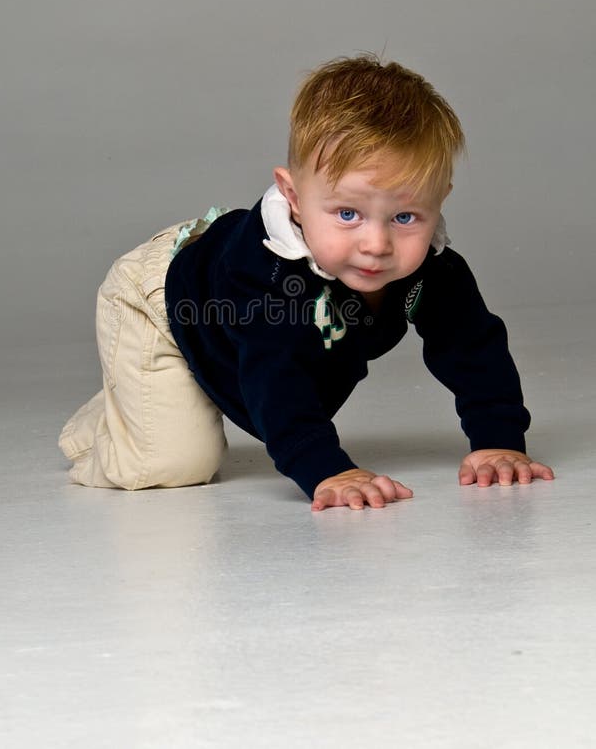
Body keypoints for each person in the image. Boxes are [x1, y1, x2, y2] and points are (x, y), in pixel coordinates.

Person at [58, 54, 554, 510]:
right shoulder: (266, 276)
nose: (376, 244)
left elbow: (473, 349)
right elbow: (277, 379)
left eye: (405, 217)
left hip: (232, 336)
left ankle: (139, 399)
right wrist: (327, 471)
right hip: (162, 299)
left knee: (301, 368)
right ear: (292, 197)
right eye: (346, 213)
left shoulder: (435, 272)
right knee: (172, 464)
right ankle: (102, 427)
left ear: (439, 199)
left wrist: (499, 438)